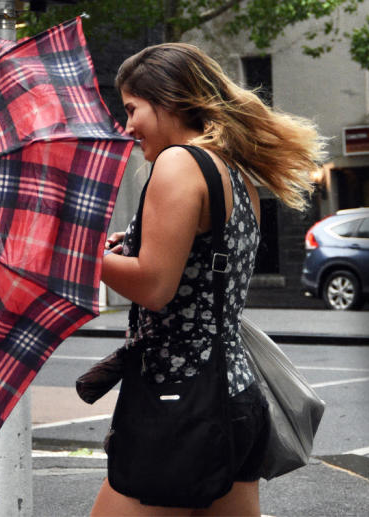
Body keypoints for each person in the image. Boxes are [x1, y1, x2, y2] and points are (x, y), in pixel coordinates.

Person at [89, 42, 325, 516]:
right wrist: (133, 245)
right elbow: (196, 265)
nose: (129, 125)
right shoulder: (233, 172)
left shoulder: (177, 164)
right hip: (234, 394)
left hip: (178, 399)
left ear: (169, 100)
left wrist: (78, 256)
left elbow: (155, 286)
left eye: (133, 109)